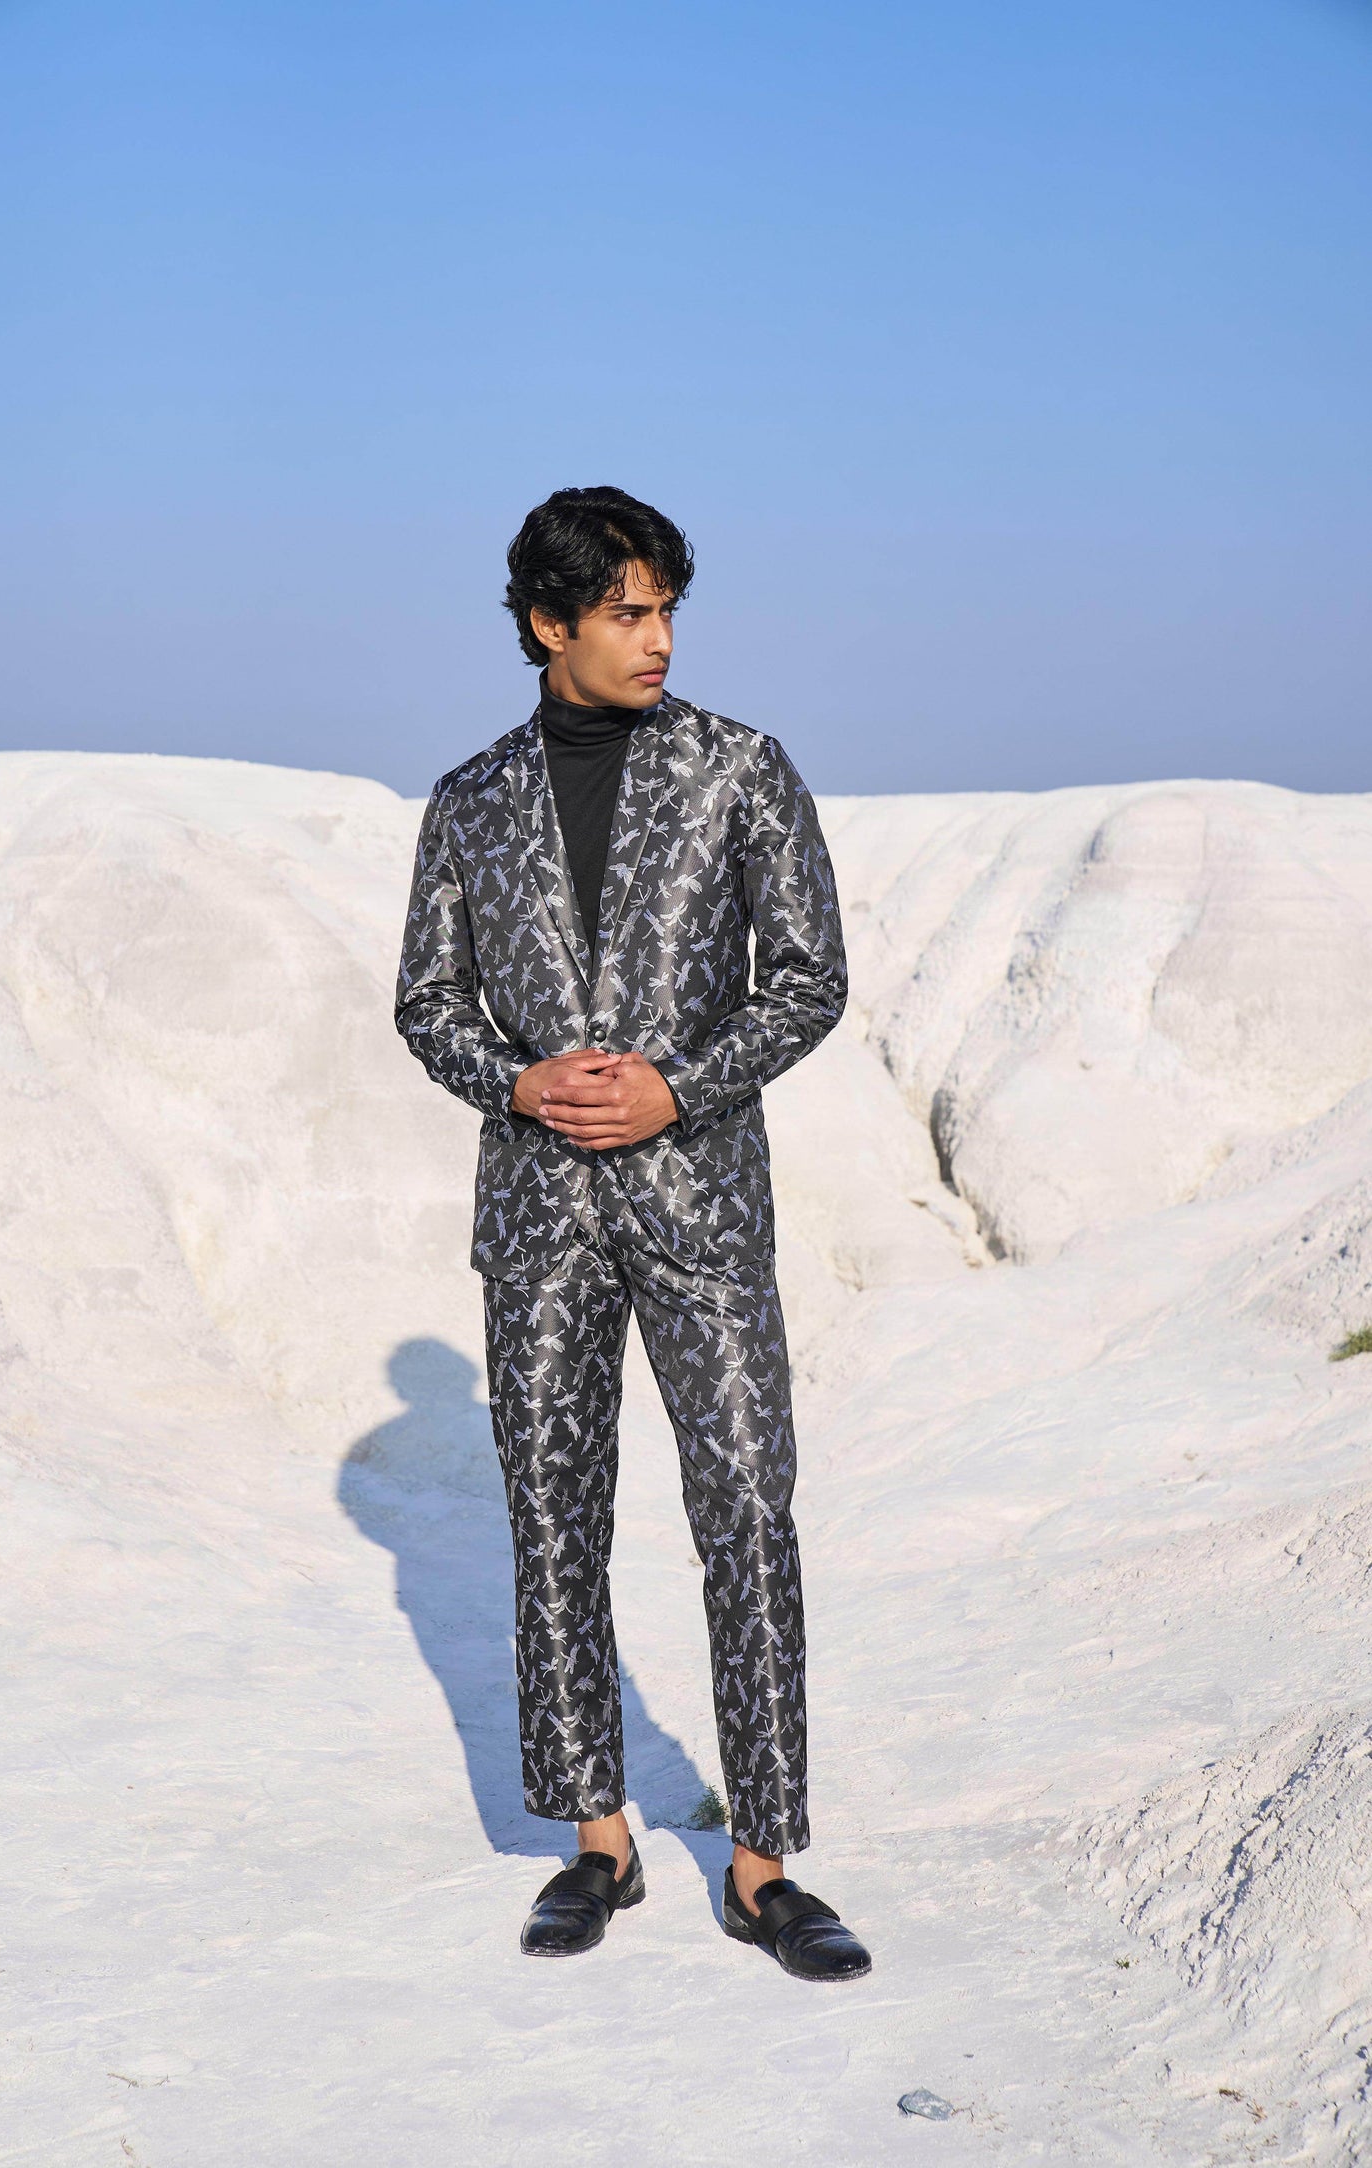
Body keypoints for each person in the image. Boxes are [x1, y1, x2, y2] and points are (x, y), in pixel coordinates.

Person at [395, 485, 871, 1983]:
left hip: (701, 1206)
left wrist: (679, 1084)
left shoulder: (742, 769)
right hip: (539, 1215)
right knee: (552, 1515)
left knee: (747, 1507)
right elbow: (428, 1001)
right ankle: (596, 1841)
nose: (658, 638)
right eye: (627, 613)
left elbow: (807, 978)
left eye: (665, 610)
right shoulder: (469, 800)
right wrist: (512, 1080)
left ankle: (765, 1861)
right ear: (550, 624)